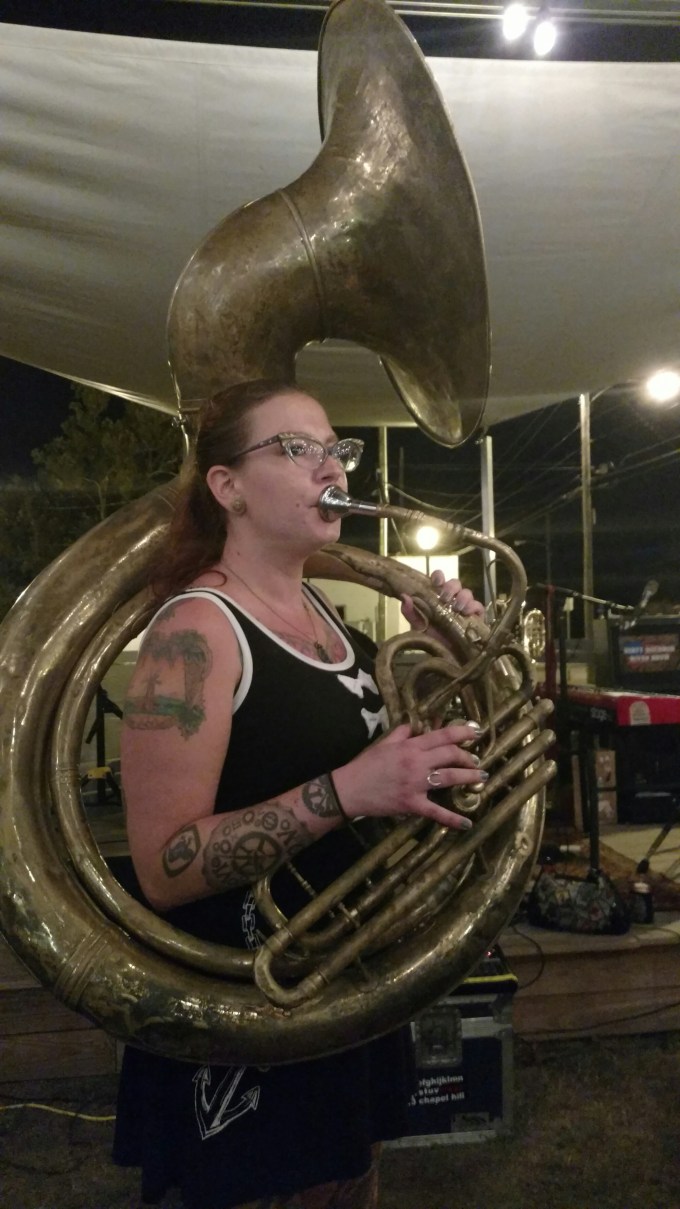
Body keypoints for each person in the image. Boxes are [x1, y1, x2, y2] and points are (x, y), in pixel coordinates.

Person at [113, 378, 486, 1209]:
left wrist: (446, 661)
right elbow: (163, 865)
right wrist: (349, 789)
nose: (334, 468)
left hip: (341, 992)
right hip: (249, 1018)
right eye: (296, 448)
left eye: (336, 448)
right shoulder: (195, 630)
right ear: (228, 486)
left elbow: (394, 774)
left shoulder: (329, 617)